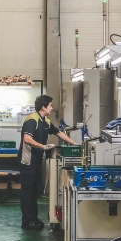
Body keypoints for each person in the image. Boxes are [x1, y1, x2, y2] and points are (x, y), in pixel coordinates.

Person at [18, 95, 77, 230]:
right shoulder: (32, 120)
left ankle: (33, 218)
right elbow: (27, 139)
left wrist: (76, 145)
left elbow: (58, 133)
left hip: (36, 159)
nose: (52, 107)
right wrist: (43, 146)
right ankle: (27, 221)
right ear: (43, 107)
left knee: (34, 190)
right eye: (50, 105)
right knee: (28, 191)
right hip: (27, 160)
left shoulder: (45, 121)